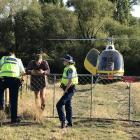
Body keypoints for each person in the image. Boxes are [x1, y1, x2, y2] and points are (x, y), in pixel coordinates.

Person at [0, 48, 25, 123]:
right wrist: (20, 77)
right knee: (14, 100)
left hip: (3, 79)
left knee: (0, 96)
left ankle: (1, 112)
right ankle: (14, 119)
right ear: (14, 54)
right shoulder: (18, 60)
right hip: (14, 80)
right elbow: (23, 72)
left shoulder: (3, 58)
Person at [56, 54, 78, 129]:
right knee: (68, 106)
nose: (63, 61)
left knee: (59, 104)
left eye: (64, 60)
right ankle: (69, 123)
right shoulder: (68, 68)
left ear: (68, 61)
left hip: (70, 89)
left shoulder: (70, 68)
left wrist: (65, 90)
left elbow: (70, 81)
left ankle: (63, 121)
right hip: (68, 88)